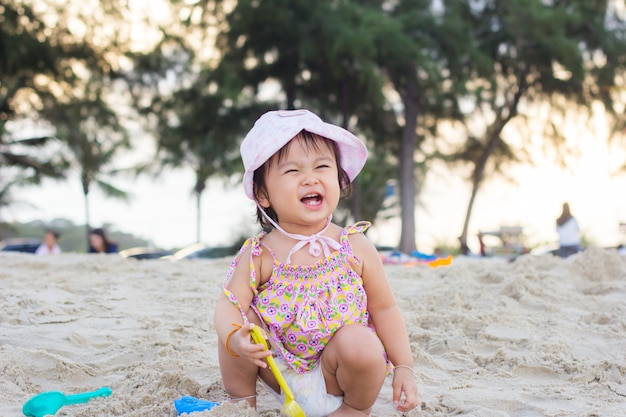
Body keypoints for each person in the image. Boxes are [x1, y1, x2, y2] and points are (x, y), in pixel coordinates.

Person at [214, 109, 419, 417]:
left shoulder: (354, 246)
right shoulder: (260, 254)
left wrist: (404, 366)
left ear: (339, 179)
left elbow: (385, 308)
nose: (310, 178)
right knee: (241, 327)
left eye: (322, 167)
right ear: (262, 193)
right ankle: (241, 402)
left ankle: (354, 409)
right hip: (278, 371)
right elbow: (228, 306)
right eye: (292, 171)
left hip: (336, 377)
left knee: (362, 342)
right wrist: (236, 339)